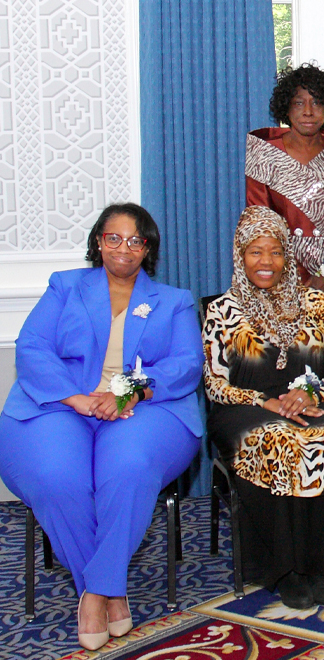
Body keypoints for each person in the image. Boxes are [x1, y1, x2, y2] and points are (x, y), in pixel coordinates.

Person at [0, 204, 203, 650]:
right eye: (113, 237)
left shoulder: (174, 300)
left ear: (147, 248)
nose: (123, 248)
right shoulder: (65, 286)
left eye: (135, 240)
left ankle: (95, 594)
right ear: (98, 241)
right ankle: (108, 588)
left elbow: (187, 364)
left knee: (128, 468)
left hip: (144, 408)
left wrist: (130, 392)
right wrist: (74, 397)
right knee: (56, 476)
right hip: (61, 404)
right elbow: (32, 347)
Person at [203, 206, 324, 609]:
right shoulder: (222, 310)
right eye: (255, 251)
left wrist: (312, 394)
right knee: (279, 440)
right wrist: (264, 401)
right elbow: (215, 384)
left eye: (275, 251)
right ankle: (286, 569)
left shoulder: (315, 302)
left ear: (287, 256)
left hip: (315, 400)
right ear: (240, 255)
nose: (267, 261)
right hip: (247, 407)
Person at [246, 62, 324, 401]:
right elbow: (260, 224)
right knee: (285, 366)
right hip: (281, 276)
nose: (308, 111)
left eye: (317, 102)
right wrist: (291, 277)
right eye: (299, 102)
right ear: (285, 108)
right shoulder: (264, 152)